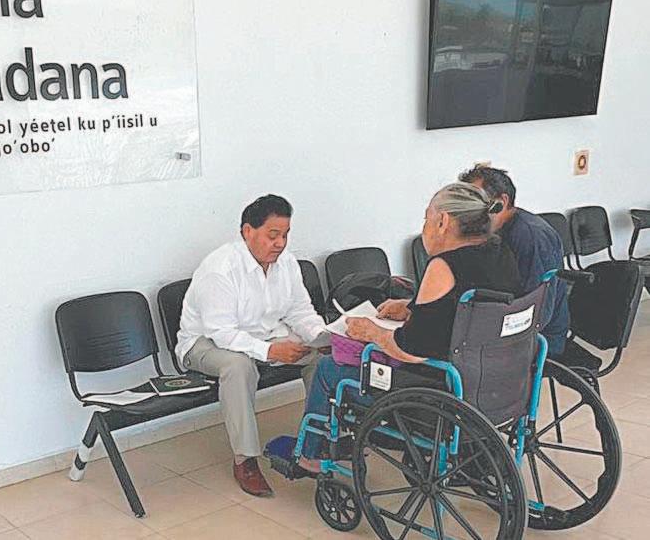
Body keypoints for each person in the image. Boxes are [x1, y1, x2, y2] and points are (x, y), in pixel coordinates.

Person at [299, 183, 520, 471]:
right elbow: (465, 311)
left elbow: (411, 350)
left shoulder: (444, 266)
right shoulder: (500, 252)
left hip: (440, 392)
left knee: (328, 368)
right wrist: (411, 306)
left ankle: (311, 456)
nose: (424, 226)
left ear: (443, 221)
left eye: (427, 218)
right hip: (500, 381)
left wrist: (371, 331)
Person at [176, 194, 329, 497]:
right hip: (204, 344)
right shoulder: (220, 269)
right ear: (248, 231)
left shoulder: (286, 263)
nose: (280, 243)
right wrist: (270, 351)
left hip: (263, 335)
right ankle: (245, 460)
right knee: (238, 366)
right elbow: (222, 333)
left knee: (321, 358)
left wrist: (320, 336)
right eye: (273, 235)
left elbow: (299, 311)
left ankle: (316, 442)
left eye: (285, 234)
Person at [458, 166, 571, 357]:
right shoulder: (489, 231)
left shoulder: (530, 237)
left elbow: (538, 314)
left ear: (502, 202)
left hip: (538, 340)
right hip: (503, 325)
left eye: (476, 203)